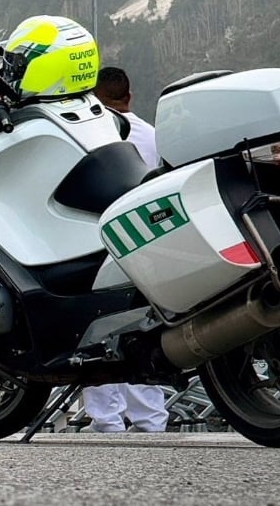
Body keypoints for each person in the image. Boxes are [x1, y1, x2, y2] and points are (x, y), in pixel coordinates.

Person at [82, 65, 169, 434]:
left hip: (99, 244)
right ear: (129, 97)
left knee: (97, 328)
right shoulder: (153, 136)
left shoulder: (90, 137)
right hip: (148, 247)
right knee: (143, 329)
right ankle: (152, 420)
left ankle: (106, 420)